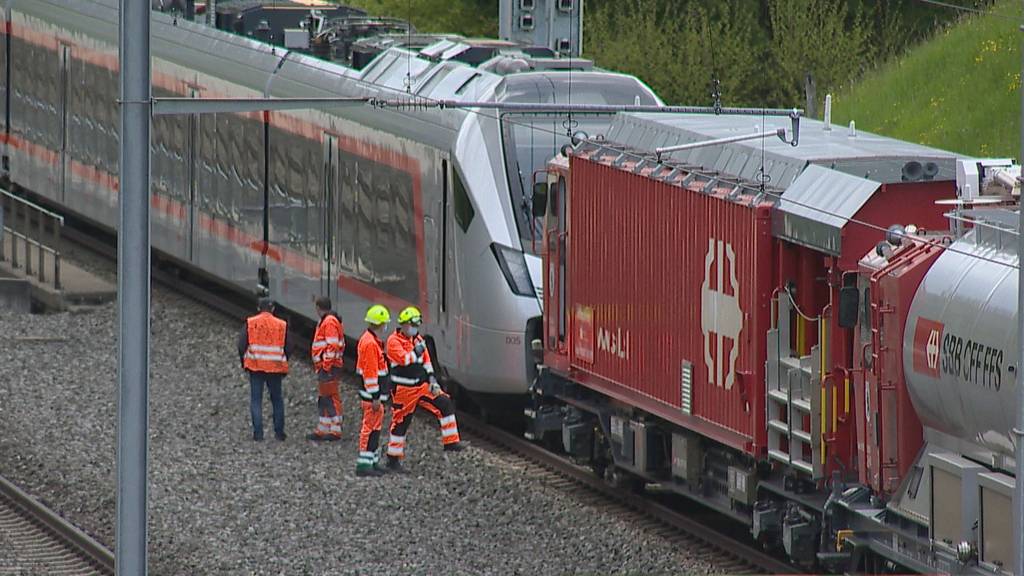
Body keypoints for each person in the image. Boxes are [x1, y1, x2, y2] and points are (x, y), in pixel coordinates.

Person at [384, 306, 463, 473]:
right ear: (404, 324)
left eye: (416, 325)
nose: (415, 328)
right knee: (400, 424)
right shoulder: (393, 341)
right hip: (403, 391)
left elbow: (426, 361)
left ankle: (451, 443)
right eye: (412, 325)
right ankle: (393, 459)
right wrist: (417, 350)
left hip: (421, 386)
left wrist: (432, 380)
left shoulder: (417, 339)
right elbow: (405, 359)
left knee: (444, 403)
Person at [238, 297, 290, 441]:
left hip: (255, 367)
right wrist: (282, 359)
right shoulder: (281, 325)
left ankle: (258, 434)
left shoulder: (251, 323)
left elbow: (241, 344)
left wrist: (244, 361)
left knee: (256, 400)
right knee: (277, 399)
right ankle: (279, 433)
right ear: (273, 309)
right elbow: (289, 346)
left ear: (258, 308)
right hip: (275, 367)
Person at [354, 304, 391, 477]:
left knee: (375, 428)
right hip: (372, 397)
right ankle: (364, 464)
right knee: (369, 428)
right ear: (380, 324)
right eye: (384, 323)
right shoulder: (370, 344)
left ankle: (372, 460)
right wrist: (375, 396)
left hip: (375, 395)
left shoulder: (371, 341)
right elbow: (370, 374)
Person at [308, 296, 344, 441]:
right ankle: (324, 427)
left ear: (318, 307)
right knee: (325, 397)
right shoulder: (329, 320)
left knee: (329, 396)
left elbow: (332, 345)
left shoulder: (329, 322)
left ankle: (335, 429)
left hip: (328, 367)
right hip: (327, 366)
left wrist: (326, 365)